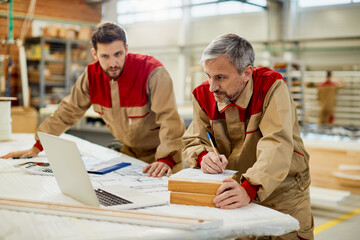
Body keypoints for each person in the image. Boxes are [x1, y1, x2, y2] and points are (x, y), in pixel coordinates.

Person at [2, 22, 186, 177]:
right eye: (105, 56)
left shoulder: (152, 72)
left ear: (126, 49)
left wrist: (166, 158)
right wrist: (37, 146)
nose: (113, 63)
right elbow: (67, 111)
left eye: (118, 54)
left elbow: (169, 119)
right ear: (94, 54)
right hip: (129, 154)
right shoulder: (91, 76)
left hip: (162, 158)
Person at [182, 33, 313, 240]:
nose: (211, 87)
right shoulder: (203, 95)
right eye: (208, 76)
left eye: (220, 77)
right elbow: (193, 140)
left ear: (246, 73)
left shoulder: (271, 86)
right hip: (238, 189)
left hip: (284, 191)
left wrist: (251, 187)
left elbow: (276, 143)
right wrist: (203, 157)